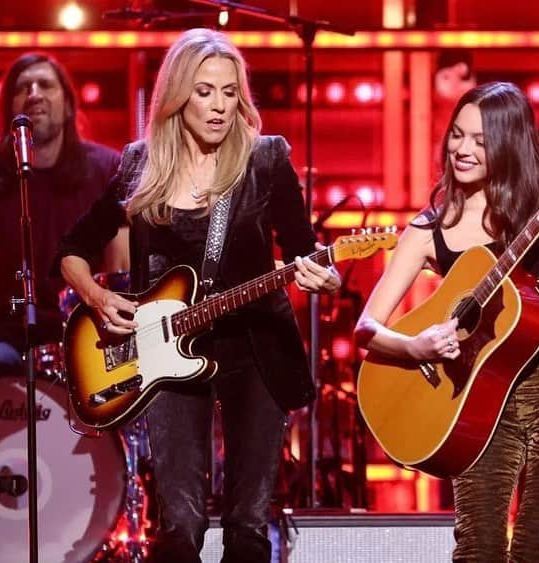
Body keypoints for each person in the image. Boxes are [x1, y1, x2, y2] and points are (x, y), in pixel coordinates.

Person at [56, 28, 341, 562]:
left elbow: (307, 250)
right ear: (177, 95)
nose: (219, 106)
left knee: (248, 524)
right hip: (165, 356)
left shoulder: (266, 160)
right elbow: (71, 250)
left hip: (256, 351)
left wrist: (322, 274)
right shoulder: (140, 165)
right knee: (180, 526)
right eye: (205, 91)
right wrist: (96, 296)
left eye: (230, 92)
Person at [354, 81, 539, 562]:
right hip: (477, 399)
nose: (462, 150)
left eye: (480, 141)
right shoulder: (428, 230)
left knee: (538, 547)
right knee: (478, 549)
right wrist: (416, 347)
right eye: (456, 135)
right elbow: (368, 327)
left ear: (506, 145)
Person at [0, 52, 121, 372]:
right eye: (22, 87)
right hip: (6, 340)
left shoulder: (107, 169)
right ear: (9, 107)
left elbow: (122, 270)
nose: (34, 93)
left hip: (87, 332)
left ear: (68, 105)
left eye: (45, 85)